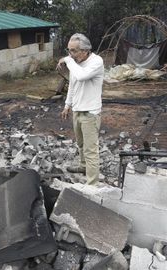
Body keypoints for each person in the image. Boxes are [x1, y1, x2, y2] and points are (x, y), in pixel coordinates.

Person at [56, 33, 104, 185]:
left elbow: (82, 76)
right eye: (69, 50)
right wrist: (67, 105)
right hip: (77, 110)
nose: (70, 54)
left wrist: (68, 60)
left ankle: (92, 185)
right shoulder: (75, 63)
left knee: (91, 151)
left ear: (85, 50)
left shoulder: (96, 62)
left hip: (90, 113)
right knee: (81, 144)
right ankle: (83, 167)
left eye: (74, 51)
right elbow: (73, 84)